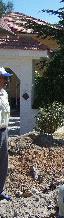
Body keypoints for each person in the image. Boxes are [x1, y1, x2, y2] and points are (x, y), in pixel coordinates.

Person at [0, 67, 12, 201]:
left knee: (3, 162)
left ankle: (0, 190)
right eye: (4, 77)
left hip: (4, 131)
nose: (6, 80)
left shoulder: (4, 93)